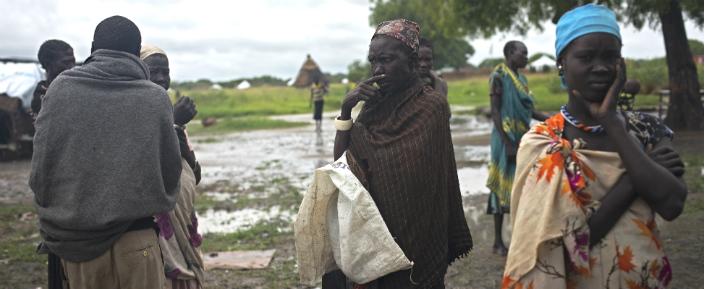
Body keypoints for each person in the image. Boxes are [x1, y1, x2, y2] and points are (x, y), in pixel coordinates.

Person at [502, 4, 686, 289]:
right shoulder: (544, 142)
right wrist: (634, 179)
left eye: (610, 56)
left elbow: (672, 204)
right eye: (586, 57)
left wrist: (613, 123)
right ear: (561, 63)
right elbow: (569, 246)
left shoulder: (645, 129)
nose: (600, 67)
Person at [30, 16, 182, 289]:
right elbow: (171, 175)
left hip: (77, 247)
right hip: (137, 242)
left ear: (92, 48)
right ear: (136, 54)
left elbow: (40, 174)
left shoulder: (59, 91)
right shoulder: (155, 98)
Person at [330, 19, 472, 289]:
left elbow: (417, 178)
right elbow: (341, 166)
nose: (378, 69)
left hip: (419, 232)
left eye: (386, 60)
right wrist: (346, 110)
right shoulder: (372, 107)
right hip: (374, 234)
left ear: (412, 61)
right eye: (373, 61)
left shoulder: (431, 106)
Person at [140, 44, 205, 289]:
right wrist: (174, 124)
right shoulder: (135, 111)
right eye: (153, 71)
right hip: (158, 217)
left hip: (182, 211)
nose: (160, 78)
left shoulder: (168, 109)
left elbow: (193, 171)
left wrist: (177, 128)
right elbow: (145, 159)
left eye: (164, 72)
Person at [486, 40, 547, 256]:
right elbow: (494, 111)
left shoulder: (522, 79)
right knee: (502, 187)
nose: (526, 57)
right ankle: (497, 241)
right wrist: (507, 142)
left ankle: (520, 238)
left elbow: (529, 111)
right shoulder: (499, 76)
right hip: (505, 140)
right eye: (523, 53)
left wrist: (552, 119)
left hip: (522, 138)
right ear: (510, 53)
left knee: (521, 186)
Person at [31, 39, 75, 117]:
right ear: (47, 64)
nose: (72, 67)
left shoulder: (75, 85)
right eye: (66, 62)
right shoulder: (42, 95)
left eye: (73, 61)